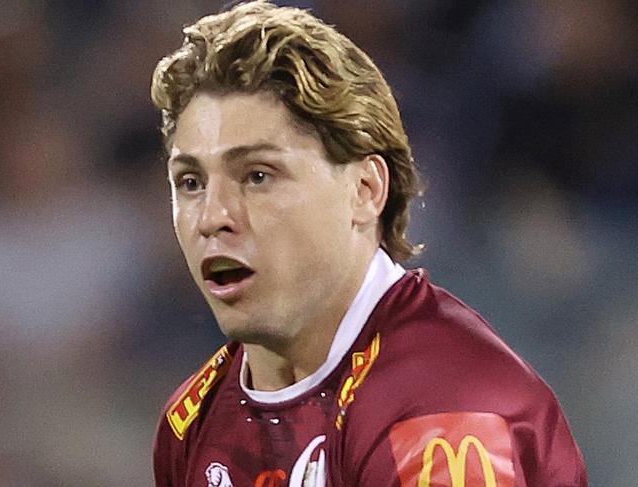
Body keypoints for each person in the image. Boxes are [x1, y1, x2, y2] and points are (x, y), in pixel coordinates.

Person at [150, 1, 587, 485]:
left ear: (365, 191)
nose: (213, 217)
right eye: (190, 182)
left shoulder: (442, 406)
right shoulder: (191, 423)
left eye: (257, 176)